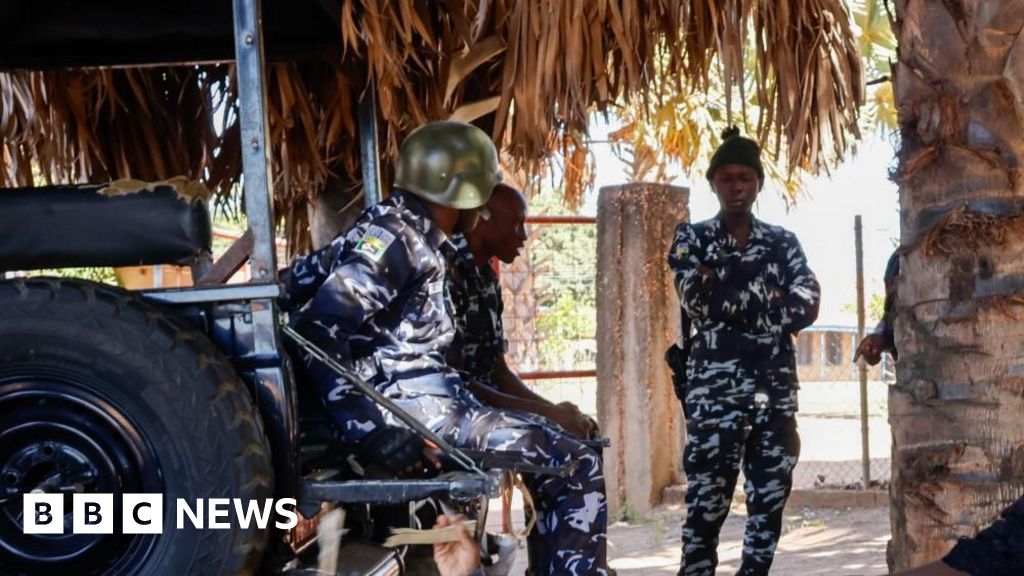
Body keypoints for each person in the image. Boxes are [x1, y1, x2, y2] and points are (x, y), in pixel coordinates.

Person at [284, 121, 609, 575]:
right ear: (462, 190)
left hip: (428, 400)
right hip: (417, 407)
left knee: (559, 444)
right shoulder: (399, 237)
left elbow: (295, 286)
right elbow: (319, 329)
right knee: (575, 461)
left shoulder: (402, 229)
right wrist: (368, 431)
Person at [667, 126, 821, 576]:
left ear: (758, 183)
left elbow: (807, 304)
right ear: (713, 181)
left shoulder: (783, 241)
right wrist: (771, 298)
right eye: (728, 177)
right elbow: (699, 301)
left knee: (769, 505)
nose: (737, 186)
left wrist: (730, 295)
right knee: (704, 510)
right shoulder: (691, 239)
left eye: (746, 177)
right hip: (714, 400)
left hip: (773, 398)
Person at [446, 182, 595, 439]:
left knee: (585, 433)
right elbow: (454, 383)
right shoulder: (444, 273)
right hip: (454, 412)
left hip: (488, 409)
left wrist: (556, 412)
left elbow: (498, 372)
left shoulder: (485, 279)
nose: (523, 236)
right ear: (484, 223)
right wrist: (550, 415)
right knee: (567, 453)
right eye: (516, 223)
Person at [855, 250, 900, 365]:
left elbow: (886, 314)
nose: (868, 343)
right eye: (870, 349)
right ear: (878, 354)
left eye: (864, 344)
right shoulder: (896, 340)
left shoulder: (884, 328)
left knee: (890, 275)